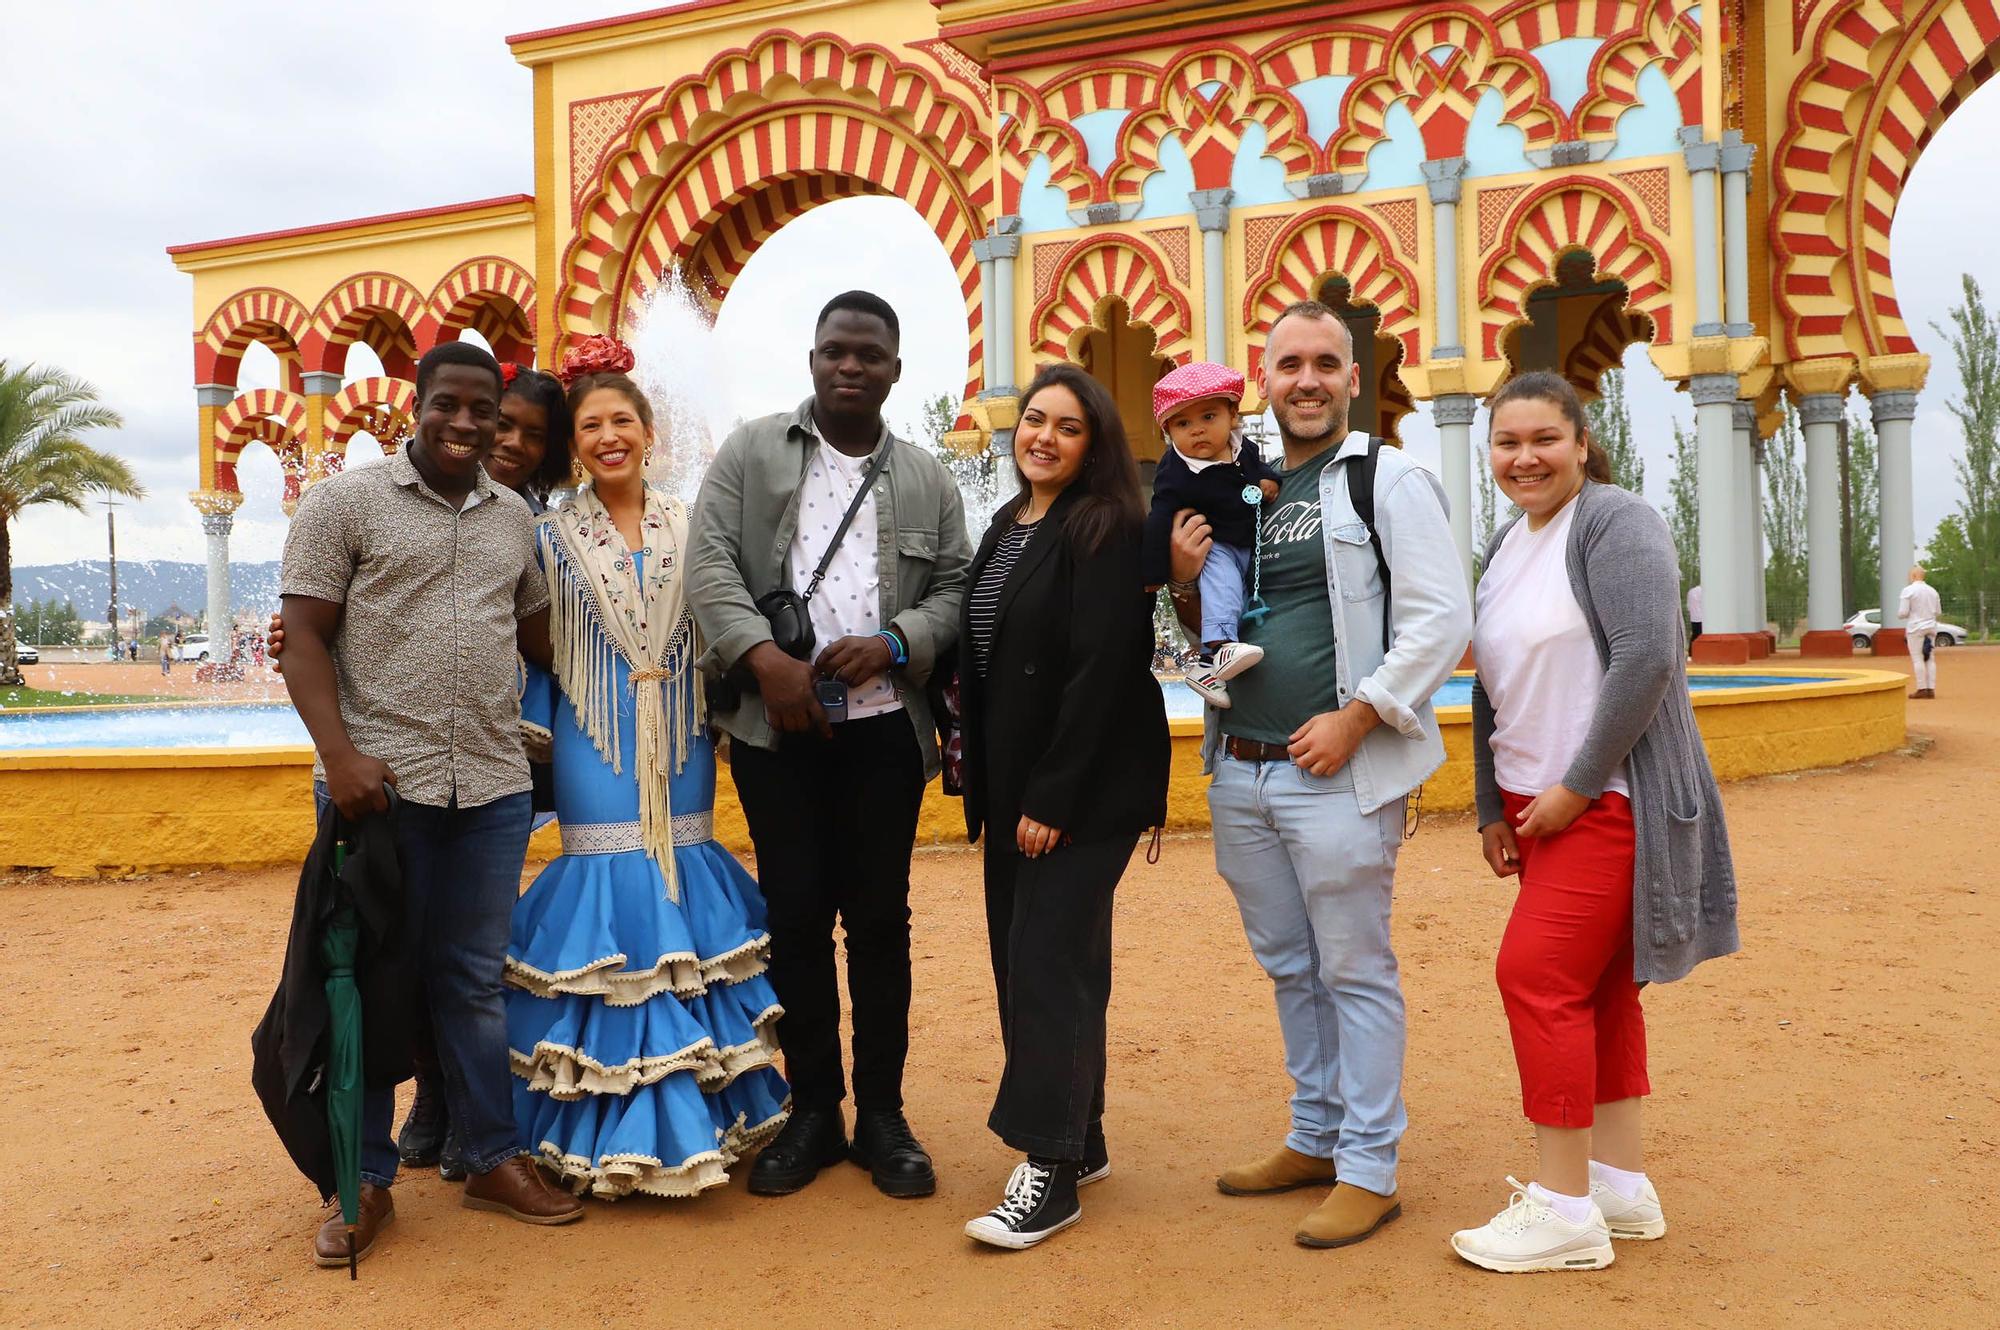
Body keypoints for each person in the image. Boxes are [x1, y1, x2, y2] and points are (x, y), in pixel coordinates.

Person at [1166, 300, 1472, 1250]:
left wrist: (1358, 715)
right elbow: (1202, 633)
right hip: (1241, 769)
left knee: (1354, 967)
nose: (1306, 380)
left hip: (1335, 773)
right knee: (1290, 965)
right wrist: (1180, 583)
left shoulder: (1386, 479)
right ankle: (1315, 1135)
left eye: (1324, 364)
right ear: (1263, 381)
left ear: (1352, 377)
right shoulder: (1245, 490)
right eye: (1287, 364)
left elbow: (1440, 618)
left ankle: (1371, 1168)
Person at [279, 340, 583, 1268]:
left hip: (491, 788)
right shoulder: (344, 502)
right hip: (382, 791)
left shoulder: (513, 521)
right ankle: (364, 1180)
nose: (465, 423)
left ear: (499, 417)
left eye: (481, 410)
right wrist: (342, 756)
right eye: (448, 404)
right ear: (416, 405)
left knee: (472, 981)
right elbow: (302, 637)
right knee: (367, 984)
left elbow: (542, 639)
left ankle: (490, 1157)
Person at [688, 290, 971, 1200]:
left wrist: (896, 642)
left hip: (886, 731)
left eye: (868, 355)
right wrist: (762, 658)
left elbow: (959, 588)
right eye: (834, 352)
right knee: (797, 919)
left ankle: (883, 1113)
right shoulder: (751, 451)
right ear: (812, 360)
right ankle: (814, 1109)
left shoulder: (925, 475)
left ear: (895, 368)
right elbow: (710, 562)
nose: (850, 366)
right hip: (780, 730)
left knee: (880, 922)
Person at [1457, 371, 1738, 1273]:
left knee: (1534, 976)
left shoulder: (1616, 521)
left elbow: (1650, 655)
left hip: (1612, 801)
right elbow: (1492, 680)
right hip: (1545, 810)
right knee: (1598, 990)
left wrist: (1575, 787)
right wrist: (1492, 803)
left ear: (1583, 441)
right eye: (1507, 443)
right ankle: (1619, 1185)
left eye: (1544, 439)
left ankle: (1564, 1209)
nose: (1524, 457)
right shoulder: (1508, 542)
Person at [505, 336, 791, 1198]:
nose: (608, 436)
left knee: (684, 876)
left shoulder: (690, 522)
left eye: (622, 419)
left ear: (649, 430)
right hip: (594, 735)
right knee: (612, 876)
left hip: (684, 725)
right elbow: (524, 636)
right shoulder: (549, 533)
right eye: (590, 425)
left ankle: (703, 1114)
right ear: (575, 443)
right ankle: (601, 1127)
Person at [955, 364, 1170, 1249]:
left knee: (1048, 962)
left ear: (1096, 445)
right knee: (1038, 959)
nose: (1042, 436)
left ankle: (1048, 1172)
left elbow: (1102, 671)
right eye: (1034, 420)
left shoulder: (1105, 526)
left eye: (1068, 426)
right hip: (1013, 786)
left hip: (1076, 789)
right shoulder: (1012, 522)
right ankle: (1079, 1138)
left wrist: (1053, 797)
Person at [1140, 361, 1278, 707]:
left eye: (1208, 417)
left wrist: (1267, 480)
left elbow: (1255, 465)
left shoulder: (1241, 447)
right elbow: (1159, 517)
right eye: (1183, 423)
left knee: (1242, 592)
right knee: (1222, 585)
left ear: (1232, 415)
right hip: (1215, 543)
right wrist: (1154, 573)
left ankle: (1209, 668)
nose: (1197, 430)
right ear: (1169, 431)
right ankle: (1215, 650)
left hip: (1249, 540)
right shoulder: (1175, 471)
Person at [1900, 566, 1942, 699]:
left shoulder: (1908, 590)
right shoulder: (1933, 591)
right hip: (1931, 626)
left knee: (1917, 658)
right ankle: (1931, 689)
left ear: (1913, 576)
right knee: (1930, 658)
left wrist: (1906, 615)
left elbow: (1903, 612)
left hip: (1915, 628)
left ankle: (1921, 688)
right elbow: (1938, 611)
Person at [1685, 584, 1703, 648]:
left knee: (1695, 635)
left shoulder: (1691, 591)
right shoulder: (1704, 592)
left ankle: (1691, 653)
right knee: (1700, 636)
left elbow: (1688, 607)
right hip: (1702, 618)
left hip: (1694, 618)